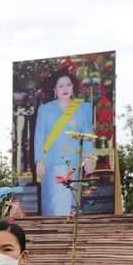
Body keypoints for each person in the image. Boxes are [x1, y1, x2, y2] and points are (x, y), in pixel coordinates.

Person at [34, 70, 96, 217]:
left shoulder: (83, 108)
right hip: (51, 164)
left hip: (74, 163)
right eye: (60, 86)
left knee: (71, 205)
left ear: (73, 87)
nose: (65, 88)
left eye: (68, 85)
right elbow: (39, 137)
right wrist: (39, 161)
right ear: (54, 90)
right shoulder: (45, 110)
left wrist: (89, 158)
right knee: (53, 206)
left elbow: (88, 136)